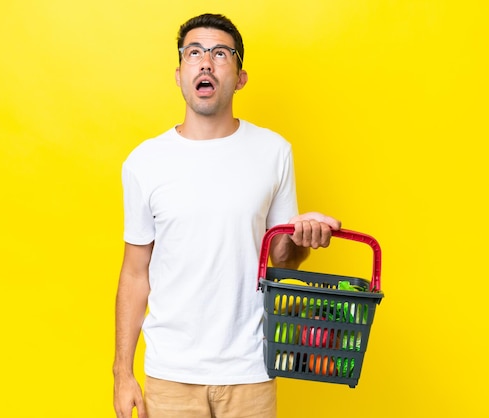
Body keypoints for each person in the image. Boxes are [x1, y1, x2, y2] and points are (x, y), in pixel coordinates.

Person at [113, 13, 341, 418]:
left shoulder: (274, 152)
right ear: (179, 74)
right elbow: (135, 272)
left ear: (239, 77)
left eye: (220, 53)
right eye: (194, 53)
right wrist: (122, 373)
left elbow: (281, 259)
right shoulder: (144, 162)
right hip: (171, 373)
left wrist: (304, 237)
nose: (205, 62)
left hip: (251, 369)